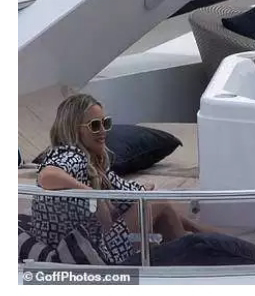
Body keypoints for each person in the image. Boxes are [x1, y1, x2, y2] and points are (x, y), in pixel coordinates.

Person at [31, 93, 218, 265]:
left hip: (89, 244)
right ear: (74, 130)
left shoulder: (94, 165)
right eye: (95, 125)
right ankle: (193, 253)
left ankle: (194, 242)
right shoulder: (71, 155)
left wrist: (141, 190)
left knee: (154, 204)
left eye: (106, 123)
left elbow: (127, 192)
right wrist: (93, 195)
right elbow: (47, 175)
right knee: (155, 203)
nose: (103, 131)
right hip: (81, 253)